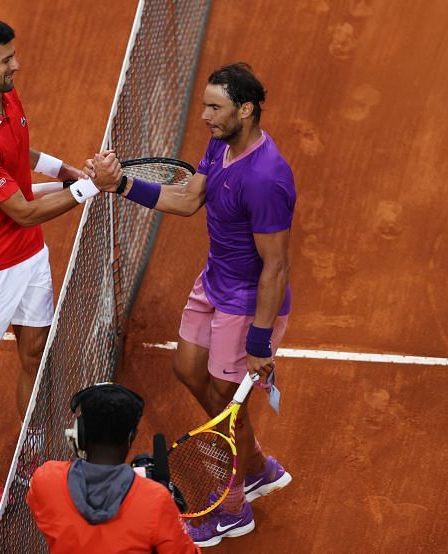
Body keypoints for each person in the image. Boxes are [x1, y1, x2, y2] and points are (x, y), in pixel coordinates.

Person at [96, 62, 295, 546]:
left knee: (230, 408)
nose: (204, 115)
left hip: (246, 304)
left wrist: (260, 342)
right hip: (213, 282)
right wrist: (121, 185)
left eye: (215, 107)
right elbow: (188, 201)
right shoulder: (221, 144)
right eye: (206, 105)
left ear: (245, 110)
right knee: (187, 369)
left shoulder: (267, 178)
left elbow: (275, 267)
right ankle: (255, 464)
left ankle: (234, 507)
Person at [0, 16, 122, 512]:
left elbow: (24, 149)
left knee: (33, 351)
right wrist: (88, 187)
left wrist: (64, 170)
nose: (15, 65)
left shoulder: (6, 97)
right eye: (6, 60)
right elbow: (21, 211)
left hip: (28, 256)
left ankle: (29, 453)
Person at [27, 383, 200, 553]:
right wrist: (170, 516)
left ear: (80, 433)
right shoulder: (156, 501)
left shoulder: (46, 480)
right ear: (131, 437)